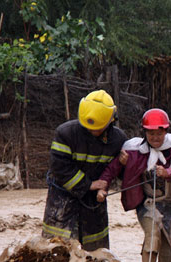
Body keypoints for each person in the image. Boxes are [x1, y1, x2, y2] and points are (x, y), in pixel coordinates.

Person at [97, 108, 171, 262]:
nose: (155, 137)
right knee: (153, 234)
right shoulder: (133, 151)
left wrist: (169, 172)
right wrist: (102, 187)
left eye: (159, 133)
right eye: (151, 133)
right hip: (148, 203)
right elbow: (112, 170)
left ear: (166, 131)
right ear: (145, 132)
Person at [42, 90, 127, 251]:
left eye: (98, 128)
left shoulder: (118, 140)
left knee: (96, 252)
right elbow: (59, 167)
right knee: (56, 249)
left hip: (94, 202)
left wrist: (123, 164)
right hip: (63, 197)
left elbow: (121, 174)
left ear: (111, 120)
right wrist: (88, 184)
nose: (93, 132)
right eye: (89, 128)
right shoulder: (66, 133)